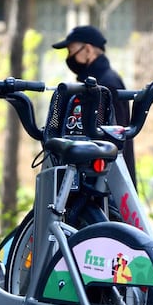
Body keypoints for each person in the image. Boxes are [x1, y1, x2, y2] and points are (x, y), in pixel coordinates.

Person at [52, 25, 136, 185]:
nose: (69, 57)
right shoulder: (97, 83)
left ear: (88, 50)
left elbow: (116, 137)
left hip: (107, 182)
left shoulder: (107, 84)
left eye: (71, 51)